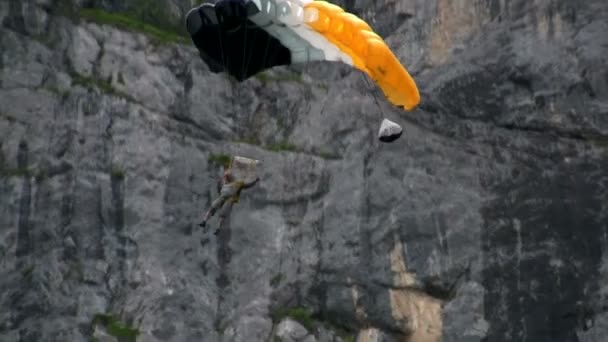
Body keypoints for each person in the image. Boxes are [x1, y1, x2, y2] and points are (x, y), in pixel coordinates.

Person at [199, 167, 260, 233]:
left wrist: (255, 181)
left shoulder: (237, 183)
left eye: (228, 175)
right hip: (222, 197)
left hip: (229, 199)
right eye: (226, 176)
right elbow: (219, 188)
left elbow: (248, 185)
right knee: (212, 209)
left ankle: (217, 229)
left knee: (222, 215)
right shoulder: (223, 181)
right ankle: (204, 221)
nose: (226, 177)